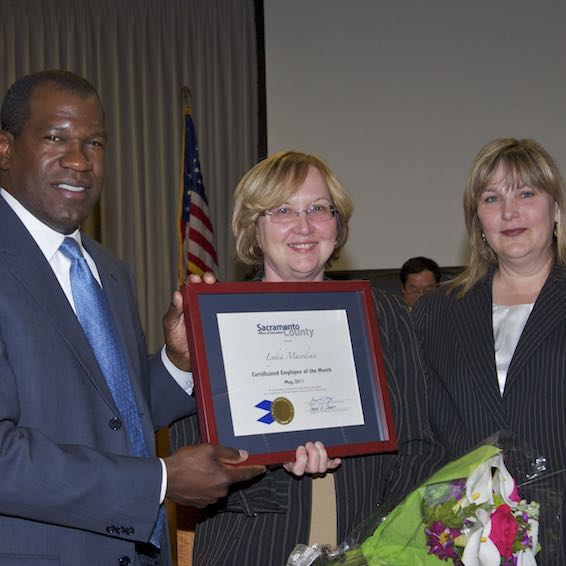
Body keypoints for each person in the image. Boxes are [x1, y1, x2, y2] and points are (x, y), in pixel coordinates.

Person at [0, 70, 265, 565]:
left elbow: (117, 414)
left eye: (94, 142)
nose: (79, 160)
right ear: (5, 148)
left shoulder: (109, 270)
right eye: (55, 137)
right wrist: (161, 481)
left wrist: (177, 362)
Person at [170, 150, 439, 565]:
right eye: (282, 210)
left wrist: (379, 541)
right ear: (253, 231)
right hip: (251, 548)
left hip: (367, 545)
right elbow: (191, 466)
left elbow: (418, 445)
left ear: (337, 223)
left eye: (318, 208)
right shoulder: (215, 319)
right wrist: (269, 461)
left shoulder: (385, 315)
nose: (304, 226)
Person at [413, 138, 566, 562]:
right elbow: (420, 433)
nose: (510, 212)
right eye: (492, 198)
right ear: (478, 219)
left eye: (526, 193)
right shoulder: (437, 312)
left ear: (555, 209)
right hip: (458, 542)